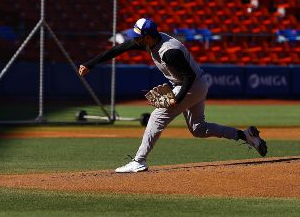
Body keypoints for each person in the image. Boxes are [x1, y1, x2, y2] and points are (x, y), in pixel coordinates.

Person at [78, 17, 268, 173]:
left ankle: (139, 161)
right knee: (198, 129)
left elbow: (189, 76)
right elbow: (118, 49)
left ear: (146, 36)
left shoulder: (170, 52)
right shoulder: (148, 42)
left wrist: (177, 99)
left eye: (137, 35)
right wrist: (90, 64)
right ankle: (246, 135)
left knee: (156, 118)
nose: (133, 39)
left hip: (192, 85)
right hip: (192, 84)